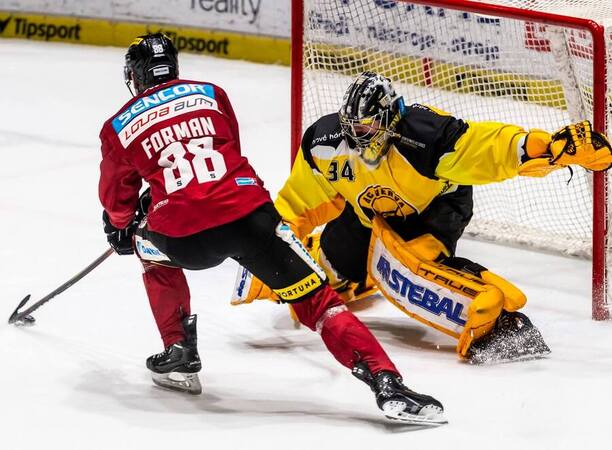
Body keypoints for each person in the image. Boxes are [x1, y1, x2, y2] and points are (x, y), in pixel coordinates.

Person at [98, 34, 447, 425]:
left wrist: (123, 226)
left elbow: (117, 201)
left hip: (185, 236)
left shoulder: (117, 126)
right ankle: (387, 381)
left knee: (146, 249)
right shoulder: (212, 93)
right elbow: (224, 149)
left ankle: (179, 349)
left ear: (136, 75)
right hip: (251, 217)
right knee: (320, 304)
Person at [235, 71, 612, 364]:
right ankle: (358, 272)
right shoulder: (324, 141)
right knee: (325, 275)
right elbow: (300, 201)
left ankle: (500, 324)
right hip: (365, 215)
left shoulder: (428, 137)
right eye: (351, 129)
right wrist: (268, 247)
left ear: (388, 118)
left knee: (413, 270)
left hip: (435, 210)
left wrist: (549, 148)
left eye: (365, 128)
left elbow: (490, 147)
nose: (357, 138)